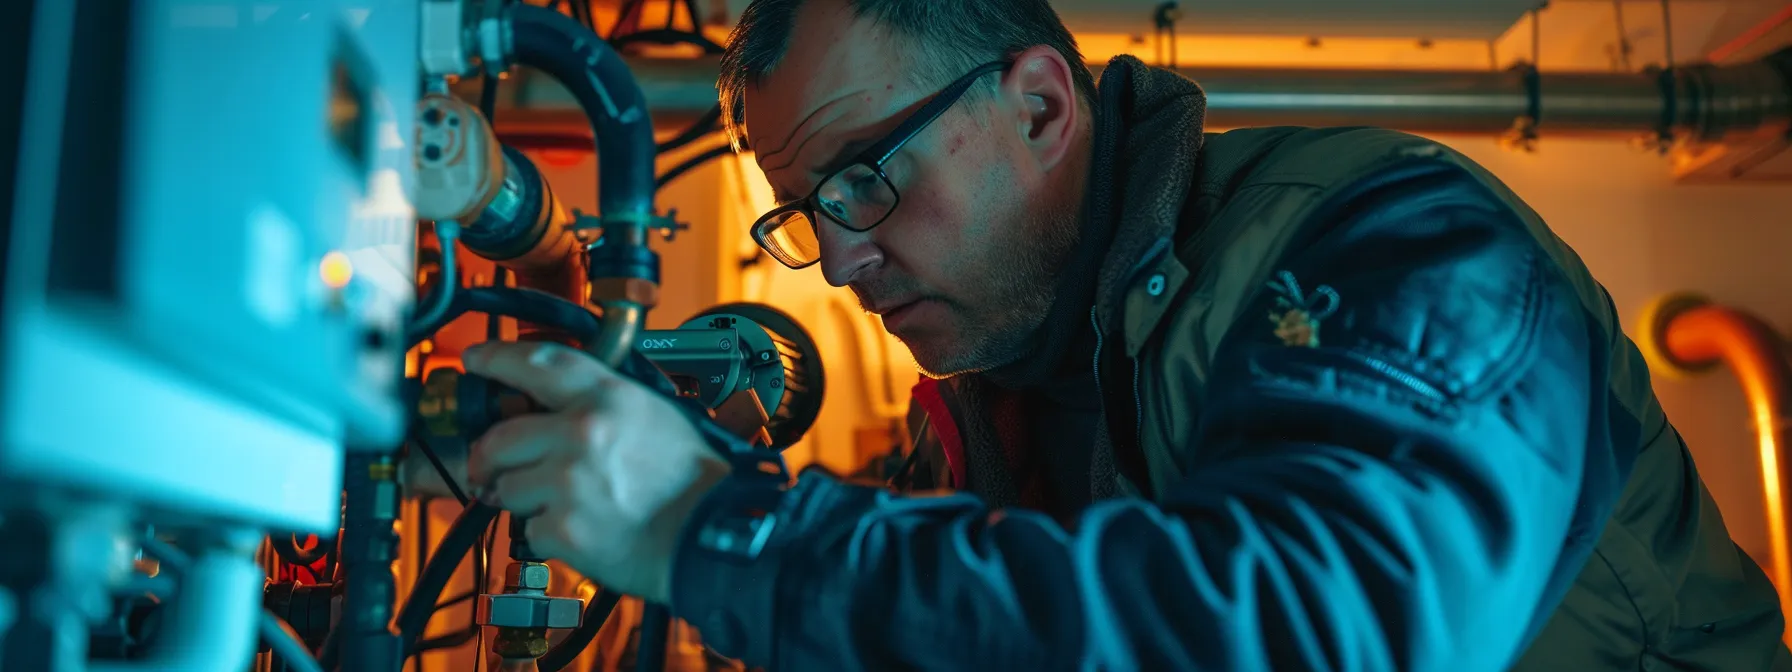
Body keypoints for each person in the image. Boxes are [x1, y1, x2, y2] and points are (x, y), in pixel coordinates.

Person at [454, 0, 1791, 668]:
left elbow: (1319, 629)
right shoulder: (999, 389)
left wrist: (710, 523)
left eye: (865, 179)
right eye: (810, 213)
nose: (846, 254)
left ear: (1040, 106)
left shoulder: (1395, 241)